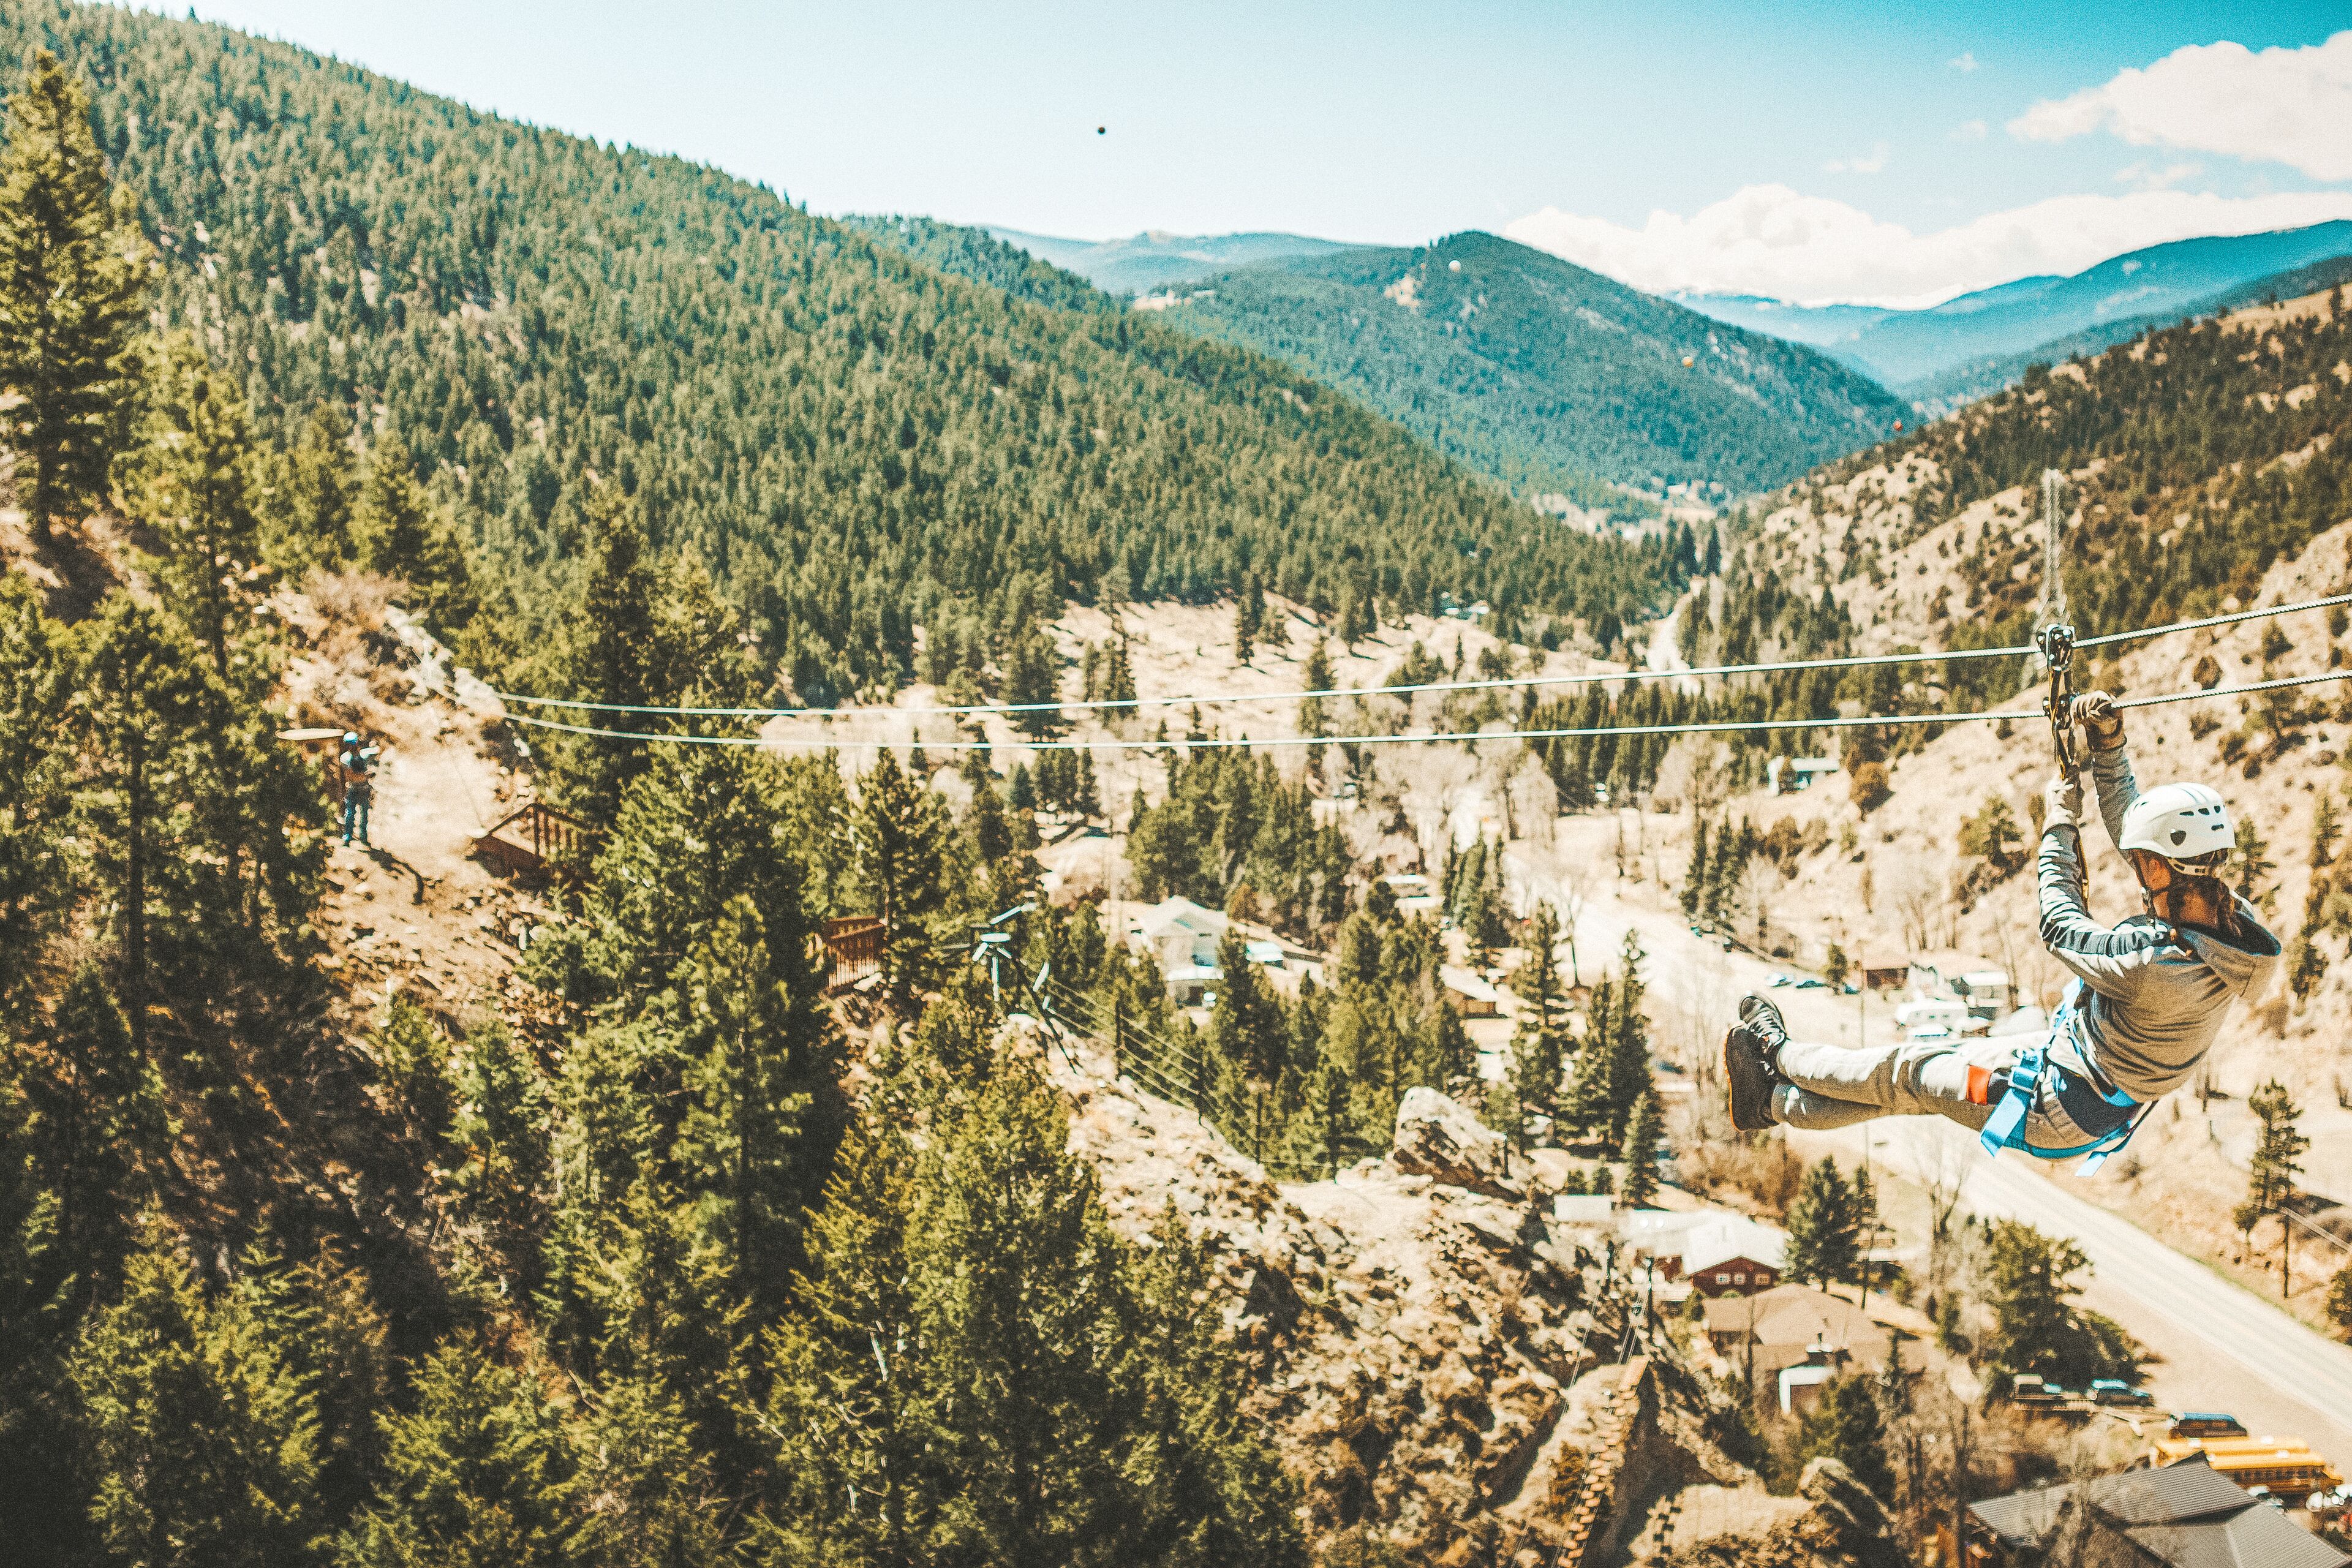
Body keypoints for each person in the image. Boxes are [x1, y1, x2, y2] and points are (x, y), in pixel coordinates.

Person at [1722, 692, 2279, 1170]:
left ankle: (1781, 1053)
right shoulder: (2233, 926)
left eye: (2142, 859)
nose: (2136, 863)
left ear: (2161, 868)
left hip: (2049, 1103)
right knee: (1912, 1088)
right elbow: (2137, 824)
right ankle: (1769, 1103)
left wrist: (2058, 824)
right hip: (2076, 1080)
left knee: (1908, 1072)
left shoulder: (2152, 964)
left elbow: (2061, 924)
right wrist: (2109, 751)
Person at [338, 729, 377, 848]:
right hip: (355, 788)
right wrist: (367, 775)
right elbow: (351, 776)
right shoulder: (346, 758)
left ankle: (362, 837)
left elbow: (376, 750)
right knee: (351, 813)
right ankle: (348, 837)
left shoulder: (361, 755)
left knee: (363, 813)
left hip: (362, 788)